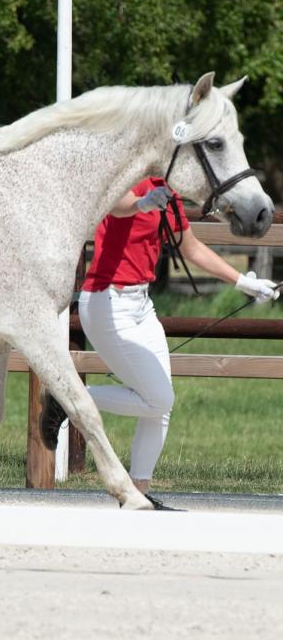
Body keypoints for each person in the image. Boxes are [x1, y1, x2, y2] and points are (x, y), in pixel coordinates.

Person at [40, 176, 279, 503]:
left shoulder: (167, 191)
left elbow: (190, 247)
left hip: (142, 305)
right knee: (159, 399)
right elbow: (118, 204)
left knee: (159, 406)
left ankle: (138, 495)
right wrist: (143, 202)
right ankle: (67, 396)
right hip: (108, 303)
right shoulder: (128, 175)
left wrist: (244, 283)